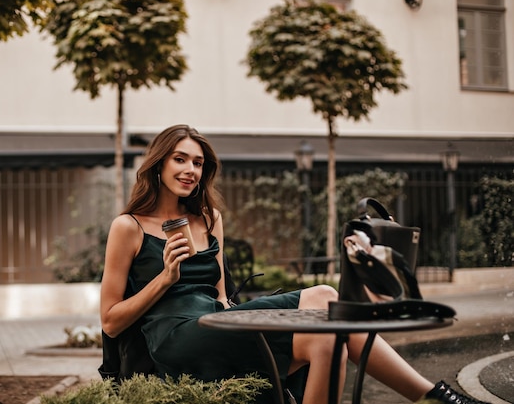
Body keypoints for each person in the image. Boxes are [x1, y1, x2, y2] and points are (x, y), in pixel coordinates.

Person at [100, 124, 489, 404]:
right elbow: (111, 320)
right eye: (180, 159)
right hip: (174, 339)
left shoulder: (209, 219)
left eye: (198, 163)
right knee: (325, 298)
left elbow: (218, 296)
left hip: (217, 324)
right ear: (158, 164)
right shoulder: (128, 227)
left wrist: (250, 318)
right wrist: (165, 279)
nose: (190, 170)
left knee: (327, 330)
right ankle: (432, 396)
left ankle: (428, 396)